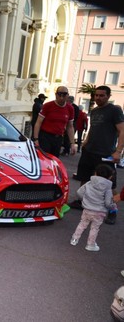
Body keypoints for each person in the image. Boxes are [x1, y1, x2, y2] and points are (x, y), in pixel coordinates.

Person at [70, 86, 124, 225]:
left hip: (106, 153)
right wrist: (86, 142)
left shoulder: (115, 110)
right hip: (89, 151)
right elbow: (93, 129)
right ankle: (82, 202)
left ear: (108, 96)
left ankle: (112, 211)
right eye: (97, 95)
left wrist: (118, 151)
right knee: (84, 177)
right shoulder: (94, 111)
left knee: (109, 185)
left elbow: (122, 130)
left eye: (102, 95)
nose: (98, 98)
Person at [70, 164, 117, 252]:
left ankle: (74, 239)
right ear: (110, 177)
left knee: (82, 224)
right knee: (94, 228)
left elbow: (79, 192)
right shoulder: (108, 188)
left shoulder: (89, 183)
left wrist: (85, 200)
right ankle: (90, 244)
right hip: (99, 212)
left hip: (87, 209)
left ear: (95, 173)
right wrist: (113, 206)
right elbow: (108, 203)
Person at [32, 86, 76, 157]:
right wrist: (36, 139)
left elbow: (70, 126)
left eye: (64, 95)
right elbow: (38, 123)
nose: (61, 97)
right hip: (45, 137)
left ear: (67, 95)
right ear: (56, 95)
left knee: (54, 160)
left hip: (58, 138)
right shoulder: (47, 106)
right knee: (44, 158)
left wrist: (72, 143)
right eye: (59, 94)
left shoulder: (70, 108)